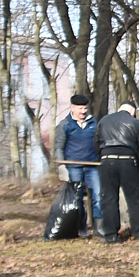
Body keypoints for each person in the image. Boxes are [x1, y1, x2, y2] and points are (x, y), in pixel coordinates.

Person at [96, 101, 139, 243]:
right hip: (128, 161)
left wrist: (102, 158)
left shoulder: (103, 121)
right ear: (133, 111)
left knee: (109, 198)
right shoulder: (136, 124)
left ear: (119, 109)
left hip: (107, 160)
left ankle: (110, 235)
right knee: (134, 198)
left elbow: (96, 143)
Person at [51, 94, 102, 232]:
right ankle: (81, 228)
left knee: (98, 195)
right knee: (77, 199)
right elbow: (58, 147)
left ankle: (99, 228)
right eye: (80, 108)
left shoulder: (94, 124)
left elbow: (99, 143)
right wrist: (61, 166)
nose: (83, 112)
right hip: (73, 167)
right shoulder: (65, 125)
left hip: (92, 167)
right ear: (72, 108)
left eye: (85, 108)